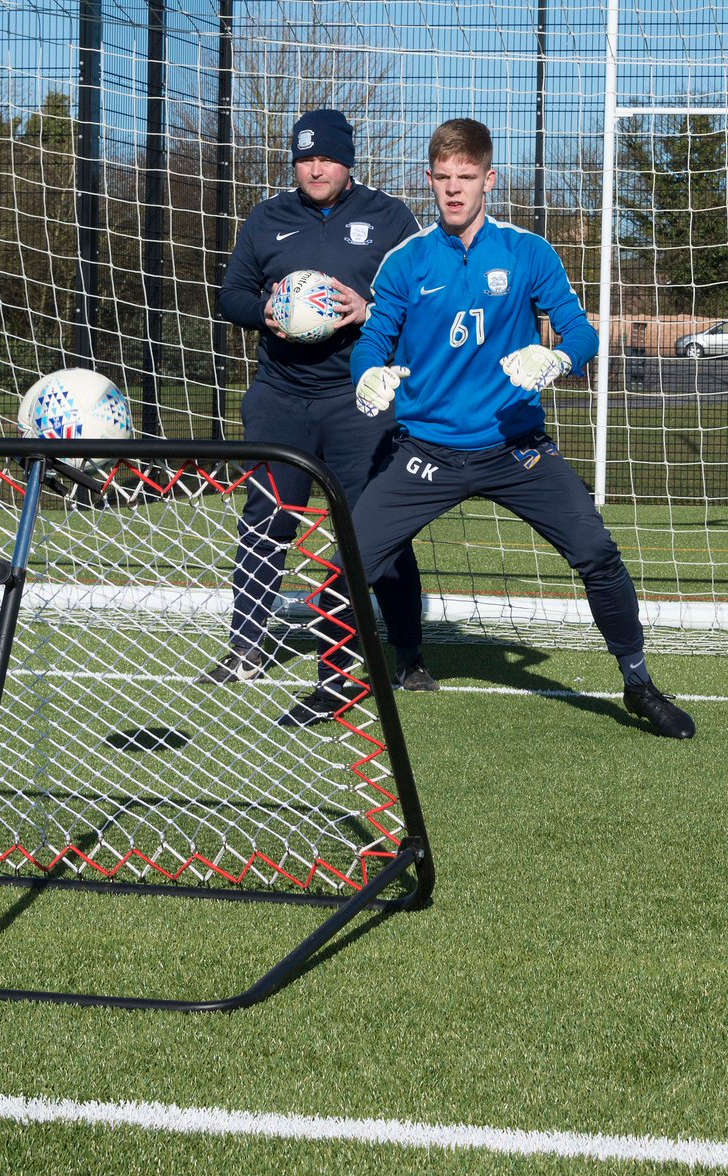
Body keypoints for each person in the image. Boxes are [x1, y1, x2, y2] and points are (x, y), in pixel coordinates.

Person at [279, 117, 695, 739]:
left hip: (515, 448)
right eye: (443, 178)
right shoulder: (406, 262)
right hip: (427, 453)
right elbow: (374, 339)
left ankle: (638, 683)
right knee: (346, 565)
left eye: (466, 178)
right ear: (429, 180)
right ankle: (332, 682)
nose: (454, 190)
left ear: (489, 180)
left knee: (598, 554)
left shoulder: (528, 252)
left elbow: (581, 330)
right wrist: (369, 375)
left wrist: (559, 357)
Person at [198, 109, 436, 700]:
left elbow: (422, 299)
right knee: (267, 517)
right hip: (280, 397)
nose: (315, 168)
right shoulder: (267, 218)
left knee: (377, 527)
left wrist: (369, 309)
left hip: (361, 399)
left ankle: (407, 653)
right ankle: (247, 646)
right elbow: (231, 295)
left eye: (326, 158)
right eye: (304, 159)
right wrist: (268, 312)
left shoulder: (390, 218)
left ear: (347, 161)